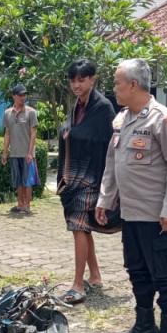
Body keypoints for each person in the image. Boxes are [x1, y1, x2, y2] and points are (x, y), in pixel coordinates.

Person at [97, 59, 167, 333]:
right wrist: (105, 200)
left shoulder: (163, 119)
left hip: (157, 216)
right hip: (131, 214)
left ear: (133, 85)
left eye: (117, 83)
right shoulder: (122, 119)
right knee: (138, 272)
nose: (114, 88)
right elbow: (113, 164)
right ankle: (145, 325)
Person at [57, 59, 116, 305]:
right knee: (82, 227)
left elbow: (105, 142)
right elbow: (73, 132)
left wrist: (71, 134)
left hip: (92, 177)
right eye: (73, 80)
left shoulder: (102, 107)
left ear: (92, 79)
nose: (76, 85)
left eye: (81, 79)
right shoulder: (77, 105)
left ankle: (78, 285)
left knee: (78, 227)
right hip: (73, 178)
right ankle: (95, 275)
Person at [2, 84, 38, 214]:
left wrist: (30, 153)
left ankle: (27, 206)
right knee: (18, 180)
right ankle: (20, 204)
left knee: (27, 181)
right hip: (14, 153)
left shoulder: (31, 112)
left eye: (24, 95)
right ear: (14, 96)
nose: (23, 97)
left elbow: (33, 134)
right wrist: (5, 152)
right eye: (20, 95)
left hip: (27, 154)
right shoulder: (7, 113)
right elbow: (7, 134)